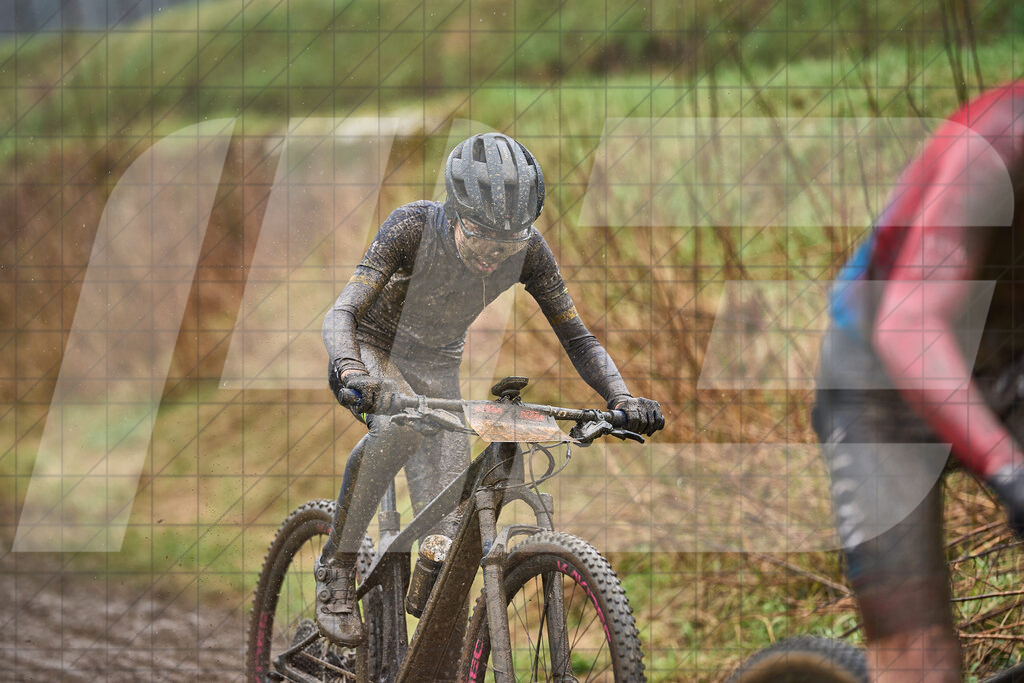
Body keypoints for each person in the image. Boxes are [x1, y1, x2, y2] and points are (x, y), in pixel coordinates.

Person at [316, 132, 664, 646]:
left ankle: (425, 638)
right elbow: (343, 311)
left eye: (507, 245)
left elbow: (578, 337)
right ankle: (337, 569)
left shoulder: (530, 252)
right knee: (393, 431)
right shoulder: (412, 226)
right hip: (372, 349)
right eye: (479, 237)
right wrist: (350, 370)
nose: (491, 255)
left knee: (453, 525)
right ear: (456, 214)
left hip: (436, 366)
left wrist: (622, 398)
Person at [815, 82, 1024, 682]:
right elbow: (908, 327)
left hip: (1003, 360)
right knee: (921, 663)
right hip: (881, 377)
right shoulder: (996, 144)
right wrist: (1009, 470)